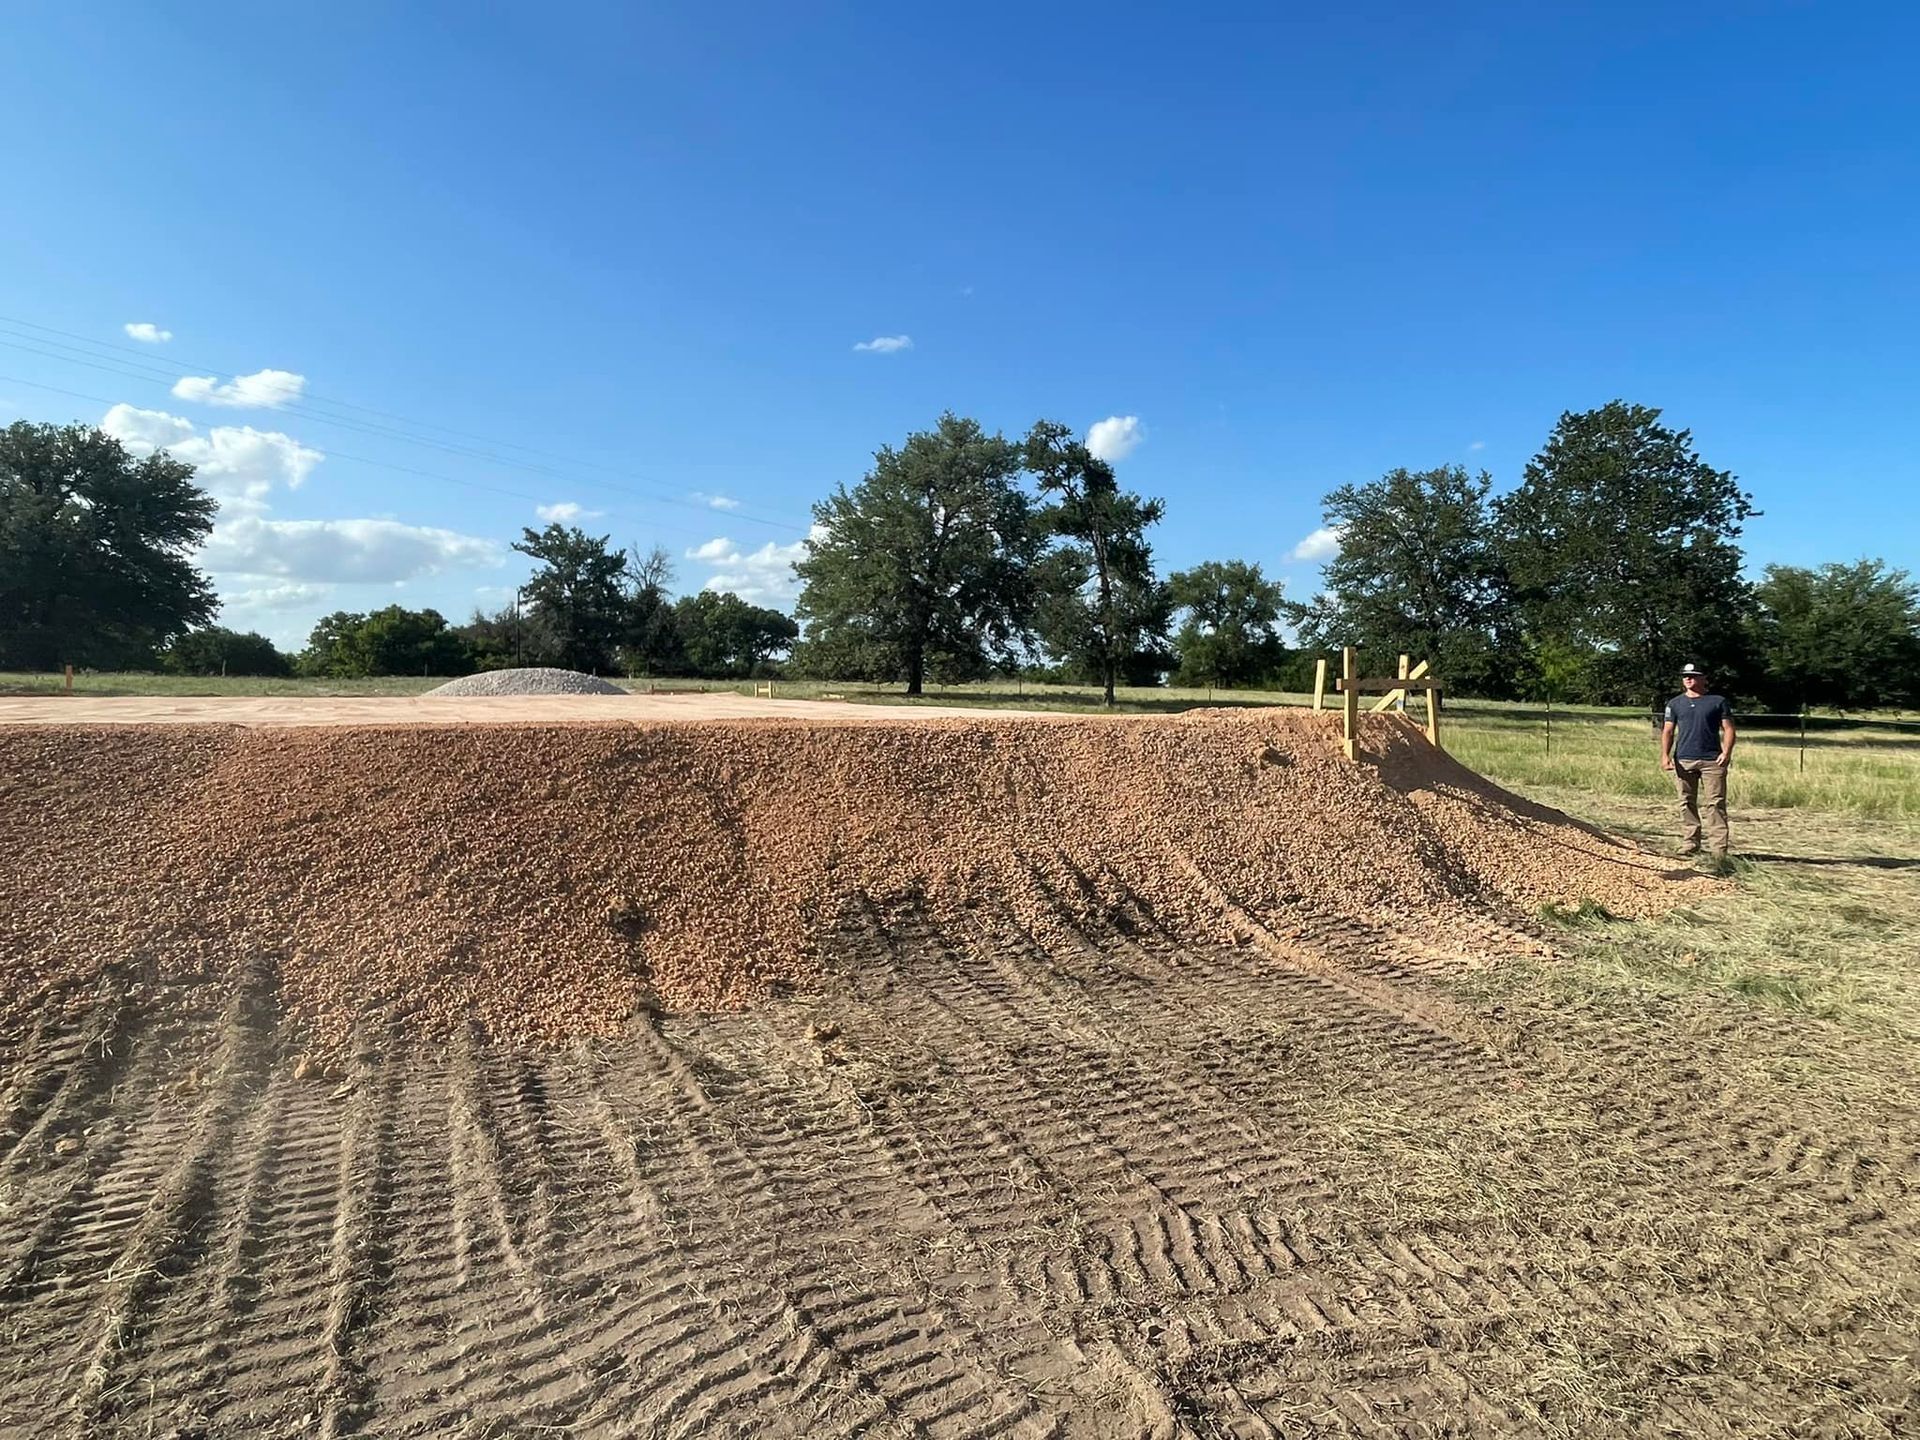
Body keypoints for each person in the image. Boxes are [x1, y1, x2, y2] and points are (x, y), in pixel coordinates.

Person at [1660, 663, 1735, 861]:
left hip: (1712, 760)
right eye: (1685, 676)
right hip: (1684, 759)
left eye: (1693, 675)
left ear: (1703, 678)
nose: (1688, 679)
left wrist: (1726, 753)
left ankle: (1719, 849)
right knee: (1686, 801)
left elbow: (1728, 729)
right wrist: (1665, 755)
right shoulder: (1674, 704)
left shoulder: (1717, 701)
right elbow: (1668, 730)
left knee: (1715, 803)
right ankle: (1690, 842)